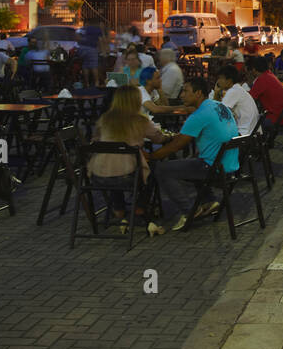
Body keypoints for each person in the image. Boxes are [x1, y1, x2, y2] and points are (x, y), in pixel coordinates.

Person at [147, 79, 240, 233]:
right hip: (230, 164)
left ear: (198, 93)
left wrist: (151, 157)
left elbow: (177, 145)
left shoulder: (199, 115)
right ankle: (209, 201)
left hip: (215, 168)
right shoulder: (218, 105)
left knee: (161, 169)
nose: (181, 95)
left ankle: (188, 210)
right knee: (194, 160)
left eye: (185, 91)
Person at [88, 86, 166, 233]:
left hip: (99, 176)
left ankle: (119, 210)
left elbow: (95, 140)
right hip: (128, 177)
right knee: (153, 170)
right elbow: (158, 138)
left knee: (114, 165)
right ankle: (140, 207)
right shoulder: (139, 120)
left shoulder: (105, 119)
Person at [212, 64, 259, 137]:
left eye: (220, 78)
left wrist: (216, 93)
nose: (218, 82)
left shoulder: (233, 91)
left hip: (245, 133)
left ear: (229, 80)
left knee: (213, 134)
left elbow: (219, 113)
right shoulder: (237, 89)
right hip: (251, 130)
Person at [246, 55, 283, 124]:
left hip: (274, 118)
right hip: (281, 115)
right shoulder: (268, 74)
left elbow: (249, 98)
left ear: (253, 69)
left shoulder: (262, 79)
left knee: (245, 122)